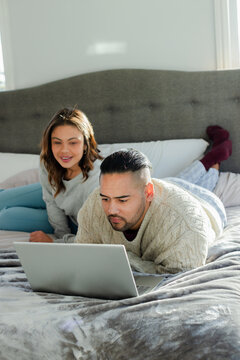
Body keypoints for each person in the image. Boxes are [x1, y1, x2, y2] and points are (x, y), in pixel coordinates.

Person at [74, 128, 232, 274]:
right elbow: (82, 254)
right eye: (105, 199)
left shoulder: (186, 226)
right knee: (180, 179)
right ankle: (214, 156)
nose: (111, 209)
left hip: (206, 204)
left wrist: (125, 258)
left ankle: (216, 160)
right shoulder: (95, 200)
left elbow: (179, 278)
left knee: (208, 184)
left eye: (122, 200)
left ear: (148, 192)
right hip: (167, 186)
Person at [0, 107, 103, 242]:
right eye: (57, 142)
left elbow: (95, 238)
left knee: (6, 217)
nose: (64, 151)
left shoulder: (97, 181)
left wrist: (56, 241)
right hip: (53, 196)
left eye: (73, 142)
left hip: (76, 221)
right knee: (2, 199)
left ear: (85, 144)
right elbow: (50, 200)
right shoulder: (48, 161)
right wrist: (61, 232)